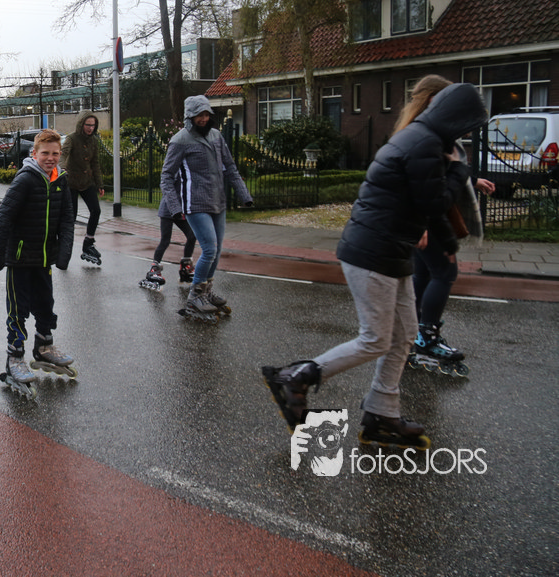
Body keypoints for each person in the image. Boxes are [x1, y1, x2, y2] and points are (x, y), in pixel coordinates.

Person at [262, 81, 488, 449]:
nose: (465, 134)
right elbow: (433, 202)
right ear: (455, 117)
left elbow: (424, 205)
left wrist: (447, 241)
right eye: (466, 126)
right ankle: (297, 376)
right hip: (373, 252)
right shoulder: (424, 144)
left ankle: (382, 411)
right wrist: (459, 174)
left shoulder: (423, 139)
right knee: (376, 339)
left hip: (390, 249)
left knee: (404, 334)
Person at [394, 75, 495, 375]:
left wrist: (471, 181)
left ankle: (411, 333)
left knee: (424, 274)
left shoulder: (418, 130)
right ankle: (425, 336)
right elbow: (418, 181)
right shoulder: (426, 135)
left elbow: (440, 172)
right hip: (428, 219)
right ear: (434, 101)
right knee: (444, 272)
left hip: (424, 218)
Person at [0, 129, 76, 394]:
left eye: (55, 153)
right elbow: (4, 217)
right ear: (34, 153)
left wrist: (63, 254)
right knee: (19, 310)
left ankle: (44, 346)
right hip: (19, 258)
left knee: (45, 305)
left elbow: (67, 218)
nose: (50, 158)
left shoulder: (60, 180)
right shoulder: (25, 179)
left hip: (43, 258)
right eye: (45, 153)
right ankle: (14, 357)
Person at [161, 96, 253, 320]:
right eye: (199, 116)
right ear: (190, 117)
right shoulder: (180, 140)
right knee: (209, 249)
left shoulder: (216, 136)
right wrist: (175, 207)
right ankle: (194, 297)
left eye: (206, 115)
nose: (203, 119)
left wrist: (244, 195)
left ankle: (206, 291)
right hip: (195, 203)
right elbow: (166, 176)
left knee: (217, 250)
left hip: (218, 202)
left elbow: (230, 166)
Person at [140, 170, 199, 291]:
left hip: (181, 211)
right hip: (168, 209)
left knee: (192, 235)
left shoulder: (191, 170)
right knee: (165, 240)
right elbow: (167, 186)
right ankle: (154, 269)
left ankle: (186, 266)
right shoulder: (177, 169)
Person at [60, 111, 105, 265]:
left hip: (87, 182)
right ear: (81, 124)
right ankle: (65, 248)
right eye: (88, 125)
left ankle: (88, 243)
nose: (90, 128)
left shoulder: (94, 141)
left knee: (96, 210)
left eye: (93, 125)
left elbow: (95, 164)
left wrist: (99, 184)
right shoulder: (72, 138)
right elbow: (64, 154)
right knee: (71, 217)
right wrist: (62, 169)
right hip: (71, 182)